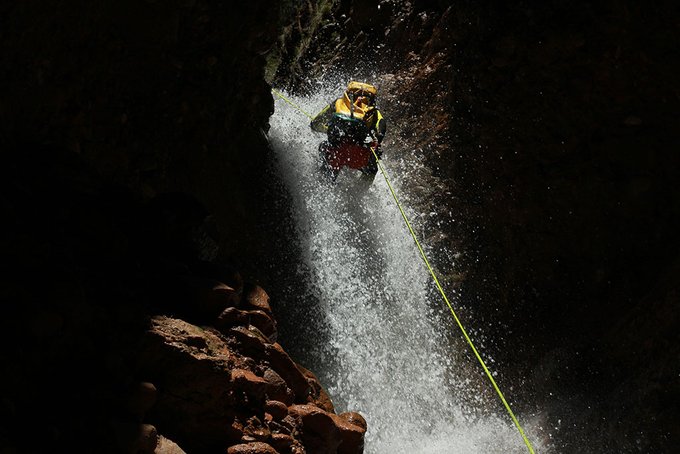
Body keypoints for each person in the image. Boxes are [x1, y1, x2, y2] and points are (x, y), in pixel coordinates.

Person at [310, 81, 386, 183]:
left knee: (323, 147)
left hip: (335, 152)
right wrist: (376, 144)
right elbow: (381, 130)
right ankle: (358, 195)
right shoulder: (374, 112)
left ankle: (322, 185)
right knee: (372, 169)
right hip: (359, 157)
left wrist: (328, 129)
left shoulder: (337, 104)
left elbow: (314, 125)